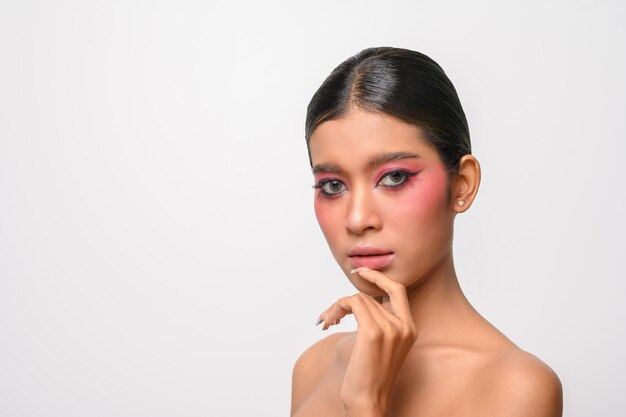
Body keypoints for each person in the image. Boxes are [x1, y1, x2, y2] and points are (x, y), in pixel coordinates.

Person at [290, 47, 563, 417]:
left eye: (395, 177)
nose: (357, 219)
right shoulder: (315, 367)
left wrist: (366, 404)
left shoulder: (515, 388)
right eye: (333, 186)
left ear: (463, 185)